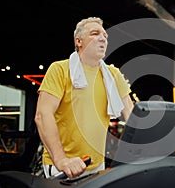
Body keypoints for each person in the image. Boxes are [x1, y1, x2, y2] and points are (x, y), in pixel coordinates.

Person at [34, 17, 134, 179]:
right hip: (64, 167)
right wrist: (61, 160)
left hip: (97, 164)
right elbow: (42, 115)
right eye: (95, 34)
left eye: (105, 36)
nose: (103, 38)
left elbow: (131, 114)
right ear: (79, 41)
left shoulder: (113, 75)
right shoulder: (60, 69)